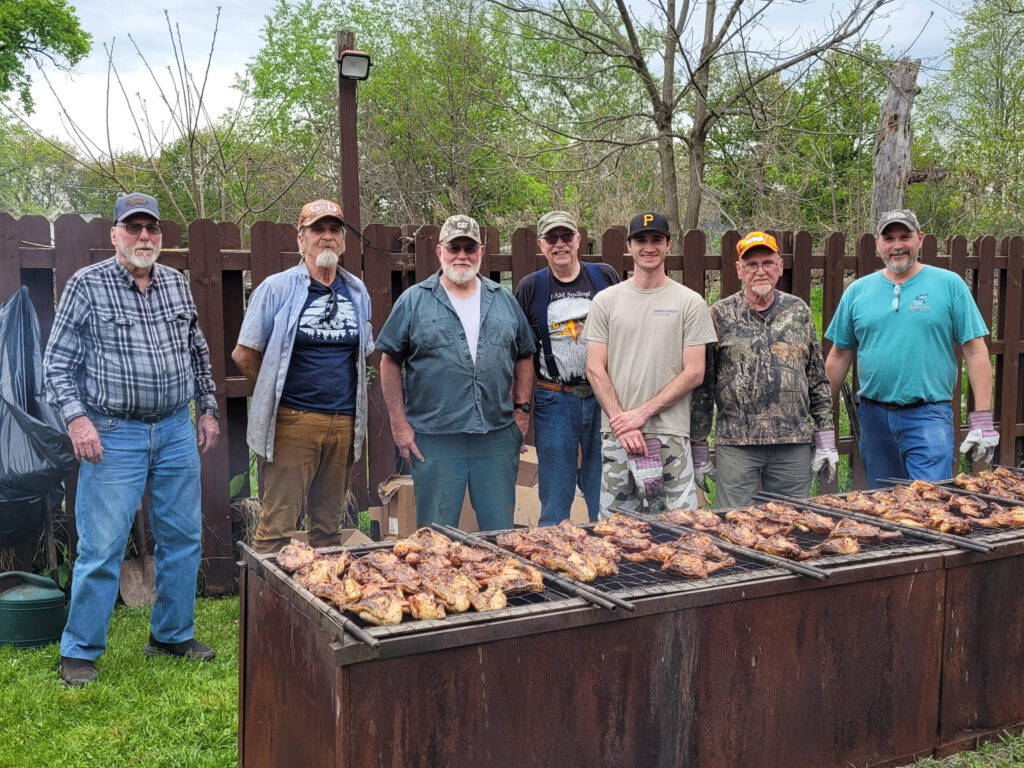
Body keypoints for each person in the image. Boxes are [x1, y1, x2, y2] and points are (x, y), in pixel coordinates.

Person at [44, 192, 220, 687]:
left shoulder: (177, 284)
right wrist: (77, 421)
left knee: (182, 538)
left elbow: (197, 352)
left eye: (152, 228)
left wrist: (207, 408)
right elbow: (56, 364)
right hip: (112, 433)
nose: (144, 236)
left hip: (175, 428)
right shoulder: (87, 285)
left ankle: (171, 634)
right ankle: (79, 650)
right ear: (115, 234)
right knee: (102, 546)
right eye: (134, 227)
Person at [232, 199, 374, 553]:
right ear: (301, 239)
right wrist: (279, 395)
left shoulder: (356, 291)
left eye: (334, 230)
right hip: (294, 422)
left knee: (329, 530)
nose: (326, 237)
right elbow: (244, 354)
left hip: (344, 423)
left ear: (343, 241)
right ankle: (262, 590)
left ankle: (319, 590)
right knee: (277, 529)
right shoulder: (276, 288)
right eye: (317, 230)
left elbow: (362, 353)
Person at [377, 214, 536, 530]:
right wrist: (399, 425)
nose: (462, 255)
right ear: (440, 251)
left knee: (500, 533)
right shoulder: (414, 301)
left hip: (495, 435)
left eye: (469, 248)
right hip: (436, 438)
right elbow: (389, 361)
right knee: (436, 536)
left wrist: (521, 414)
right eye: (454, 247)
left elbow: (525, 354)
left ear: (481, 252)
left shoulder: (503, 300)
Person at [824, 209, 996, 487]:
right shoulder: (858, 291)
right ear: (878, 243)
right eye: (889, 238)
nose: (897, 245)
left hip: (928, 416)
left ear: (920, 239)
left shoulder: (949, 285)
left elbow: (975, 351)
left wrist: (983, 417)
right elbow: (839, 355)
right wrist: (820, 421)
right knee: (882, 502)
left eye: (905, 237)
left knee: (930, 500)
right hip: (874, 418)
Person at [690, 231, 837, 508]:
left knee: (793, 522)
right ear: (739, 270)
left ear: (780, 267)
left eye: (767, 263)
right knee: (733, 523)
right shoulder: (719, 314)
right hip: (736, 444)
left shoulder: (799, 311)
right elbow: (703, 387)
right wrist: (698, 444)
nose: (760, 271)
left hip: (793, 443)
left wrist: (826, 435)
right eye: (751, 264)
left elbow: (817, 378)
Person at [584, 211, 717, 516]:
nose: (649, 247)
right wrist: (622, 421)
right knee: (617, 529)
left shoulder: (689, 302)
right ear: (629, 246)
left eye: (657, 239)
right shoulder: (606, 301)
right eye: (640, 240)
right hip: (618, 435)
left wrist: (640, 415)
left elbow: (695, 372)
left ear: (669, 245)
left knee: (680, 527)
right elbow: (594, 367)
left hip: (671, 433)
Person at [514, 211, 619, 524]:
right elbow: (521, 351)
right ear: (541, 244)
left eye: (566, 237)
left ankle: (608, 545)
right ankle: (553, 545)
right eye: (551, 238)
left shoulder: (604, 277)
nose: (559, 244)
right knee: (556, 490)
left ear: (578, 240)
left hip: (603, 397)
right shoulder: (531, 286)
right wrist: (521, 409)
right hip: (555, 398)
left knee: (605, 488)